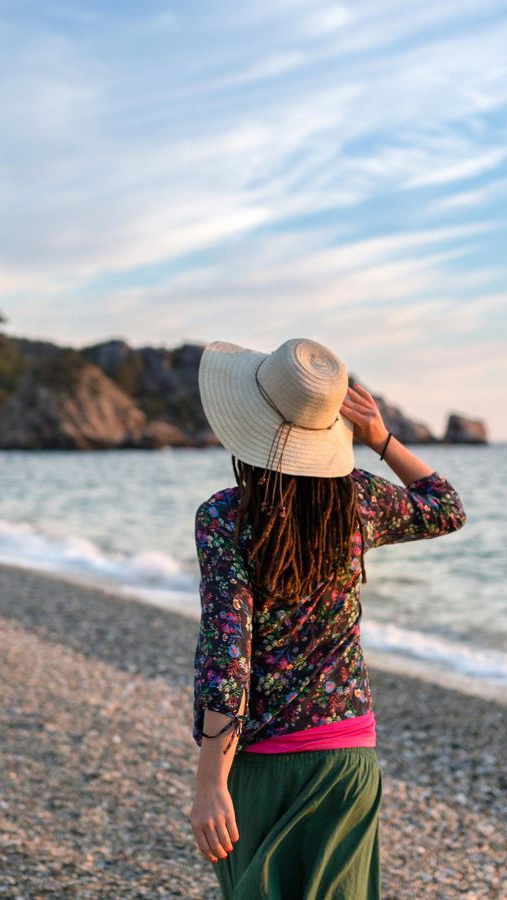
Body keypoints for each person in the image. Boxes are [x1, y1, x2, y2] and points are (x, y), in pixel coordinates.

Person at [188, 337, 468, 899]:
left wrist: (210, 780)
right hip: (348, 758)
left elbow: (229, 651)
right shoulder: (359, 500)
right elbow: (445, 508)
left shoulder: (226, 516)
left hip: (263, 763)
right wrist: (381, 439)